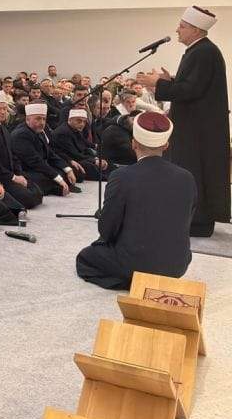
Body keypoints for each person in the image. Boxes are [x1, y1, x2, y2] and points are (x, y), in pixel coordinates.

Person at [138, 6, 230, 237]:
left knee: (194, 172)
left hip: (197, 131)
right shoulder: (199, 50)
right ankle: (192, 220)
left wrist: (158, 84)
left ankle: (197, 222)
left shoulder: (203, 52)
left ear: (196, 30)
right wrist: (170, 80)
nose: (177, 30)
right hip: (196, 126)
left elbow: (191, 90)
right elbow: (192, 85)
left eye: (182, 26)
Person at [76, 113, 196, 289]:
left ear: (133, 143)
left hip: (135, 263)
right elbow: (185, 221)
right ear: (166, 145)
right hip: (177, 265)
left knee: (86, 257)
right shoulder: (187, 178)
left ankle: (131, 281)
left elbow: (107, 229)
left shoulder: (121, 176)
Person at [0, 90, 43, 210]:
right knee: (30, 198)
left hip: (10, 173)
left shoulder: (2, 126)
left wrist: (19, 173)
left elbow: (13, 154)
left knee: (38, 191)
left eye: (4, 108)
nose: (3, 112)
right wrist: (13, 177)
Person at [11, 102, 79, 197]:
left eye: (44, 119)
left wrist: (68, 169)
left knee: (67, 170)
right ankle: (57, 188)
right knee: (47, 178)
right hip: (27, 170)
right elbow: (35, 161)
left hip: (39, 166)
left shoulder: (38, 130)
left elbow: (50, 153)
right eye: (38, 119)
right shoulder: (21, 134)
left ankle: (59, 186)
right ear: (27, 119)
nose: (42, 122)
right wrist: (58, 178)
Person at [53, 108, 108, 181]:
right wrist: (94, 160)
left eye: (84, 122)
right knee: (89, 166)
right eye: (79, 121)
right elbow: (74, 154)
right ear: (70, 120)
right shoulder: (63, 133)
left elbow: (83, 143)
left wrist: (96, 154)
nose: (82, 124)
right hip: (68, 159)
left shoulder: (75, 128)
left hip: (78, 156)